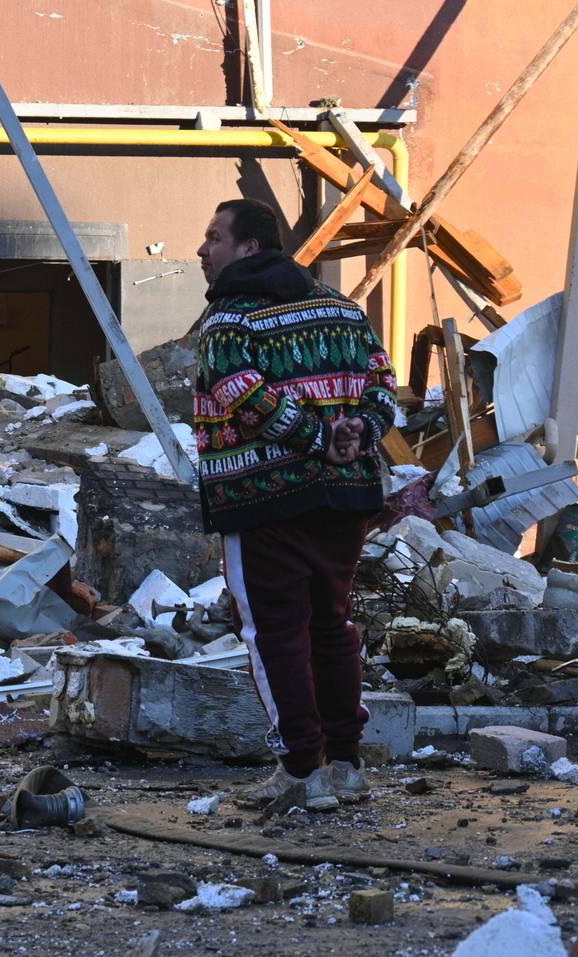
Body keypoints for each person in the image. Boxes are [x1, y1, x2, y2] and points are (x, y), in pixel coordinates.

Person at [193, 198, 398, 812]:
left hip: (263, 500)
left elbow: (239, 395)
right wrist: (355, 431)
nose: (203, 251)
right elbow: (383, 383)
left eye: (214, 238)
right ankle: (346, 766)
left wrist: (314, 438)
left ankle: (300, 770)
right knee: (330, 626)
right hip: (345, 500)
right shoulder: (342, 310)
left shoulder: (229, 321)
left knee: (273, 634)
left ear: (250, 247)